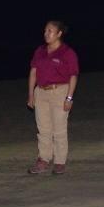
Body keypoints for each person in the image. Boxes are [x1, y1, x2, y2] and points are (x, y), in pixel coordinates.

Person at [26, 19, 79, 175]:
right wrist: (31, 94)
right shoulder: (40, 51)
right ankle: (43, 159)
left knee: (59, 129)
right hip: (41, 92)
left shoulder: (67, 52)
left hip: (60, 91)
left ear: (59, 34)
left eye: (50, 31)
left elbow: (73, 76)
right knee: (43, 129)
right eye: (45, 31)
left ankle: (60, 162)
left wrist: (69, 98)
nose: (46, 34)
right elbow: (33, 72)